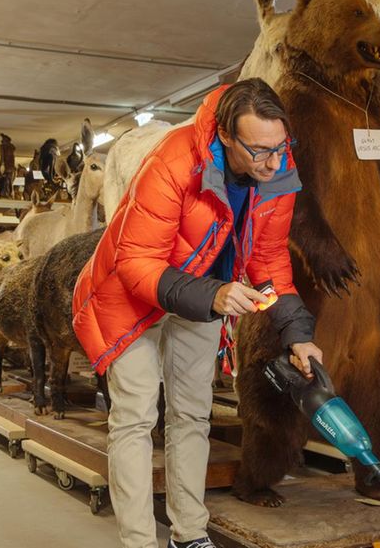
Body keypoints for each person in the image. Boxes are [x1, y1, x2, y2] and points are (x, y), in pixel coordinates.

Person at [73, 79, 322, 548]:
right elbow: (135, 262)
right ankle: (140, 541)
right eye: (260, 151)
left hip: (207, 293)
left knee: (192, 415)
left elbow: (269, 261)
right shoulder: (173, 161)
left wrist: (296, 333)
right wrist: (214, 295)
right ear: (225, 136)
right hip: (130, 298)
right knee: (136, 417)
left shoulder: (277, 167)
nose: (273, 162)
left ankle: (188, 534)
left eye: (280, 147)